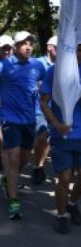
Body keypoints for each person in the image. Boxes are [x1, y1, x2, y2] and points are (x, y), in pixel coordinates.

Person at [40, 40, 81, 234]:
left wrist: (74, 83)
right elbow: (44, 102)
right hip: (61, 135)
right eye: (78, 51)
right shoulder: (53, 71)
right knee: (63, 177)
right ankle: (61, 216)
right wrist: (56, 124)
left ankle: (72, 203)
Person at [0, 31, 46, 220]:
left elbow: (46, 84)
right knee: (13, 157)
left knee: (25, 157)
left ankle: (9, 179)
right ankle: (14, 201)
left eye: (30, 43)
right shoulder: (4, 65)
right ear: (16, 46)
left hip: (30, 119)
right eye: (24, 43)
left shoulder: (37, 65)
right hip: (9, 119)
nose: (28, 46)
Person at [32, 35, 57, 186]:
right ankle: (37, 166)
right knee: (43, 136)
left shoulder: (61, 66)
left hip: (54, 108)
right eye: (58, 48)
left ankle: (39, 166)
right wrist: (38, 86)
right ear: (50, 48)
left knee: (47, 139)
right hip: (38, 107)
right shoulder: (38, 63)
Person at [0, 35, 14, 172]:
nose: (7, 51)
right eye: (4, 48)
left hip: (9, 108)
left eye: (9, 48)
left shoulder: (13, 64)